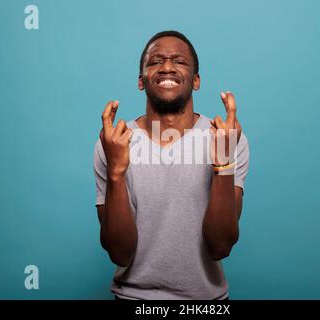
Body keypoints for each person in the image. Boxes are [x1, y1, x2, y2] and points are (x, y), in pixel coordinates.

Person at [93, 30, 250, 300]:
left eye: (179, 61)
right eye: (155, 62)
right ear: (141, 81)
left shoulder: (226, 138)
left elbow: (220, 246)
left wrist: (223, 161)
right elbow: (119, 253)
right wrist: (116, 172)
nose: (166, 67)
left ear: (196, 80)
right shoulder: (114, 142)